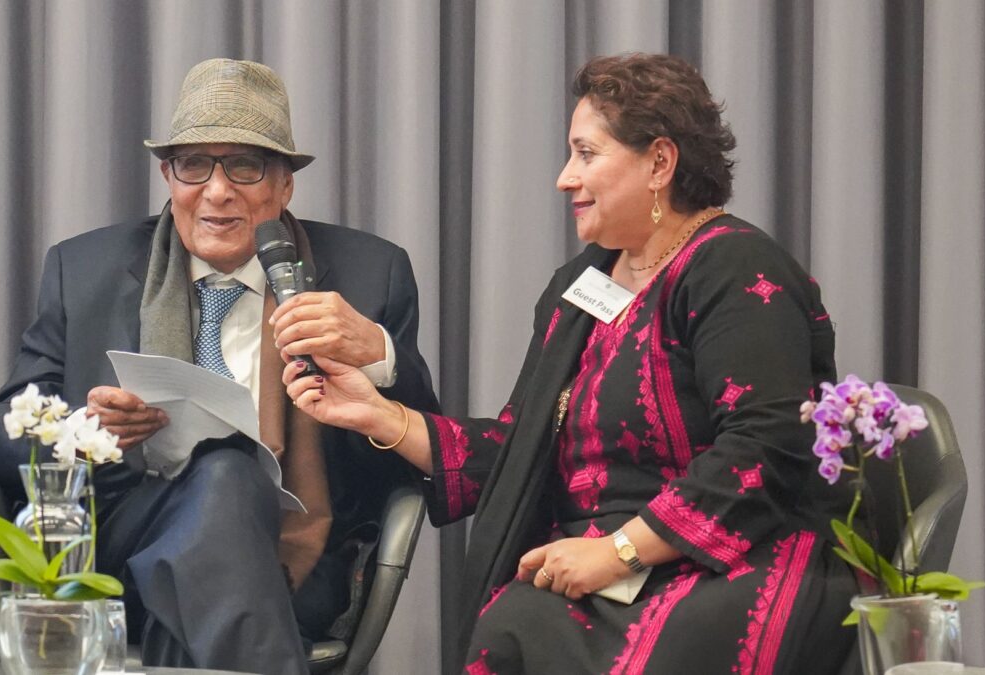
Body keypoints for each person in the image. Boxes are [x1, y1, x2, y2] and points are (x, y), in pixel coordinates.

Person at [285, 53, 855, 673]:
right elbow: (518, 454)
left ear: (659, 163)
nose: (564, 178)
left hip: (733, 559)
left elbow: (765, 444)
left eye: (586, 154)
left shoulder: (733, 265)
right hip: (600, 570)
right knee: (512, 626)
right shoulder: (581, 285)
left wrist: (620, 552)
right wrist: (379, 415)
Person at [0, 58, 438, 674]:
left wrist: (375, 352)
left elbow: (428, 448)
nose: (217, 192)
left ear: (285, 185)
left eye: (244, 166)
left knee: (212, 530)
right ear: (168, 176)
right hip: (121, 546)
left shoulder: (368, 273)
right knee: (226, 473)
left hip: (297, 552)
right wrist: (84, 430)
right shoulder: (84, 269)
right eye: (194, 165)